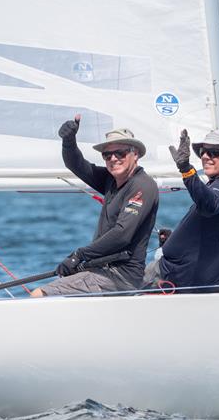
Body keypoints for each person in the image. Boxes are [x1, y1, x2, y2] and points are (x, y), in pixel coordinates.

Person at [31, 115, 158, 297]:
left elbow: (122, 235)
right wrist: (68, 141)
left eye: (120, 153)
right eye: (107, 155)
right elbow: (77, 165)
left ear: (135, 154)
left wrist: (79, 255)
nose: (113, 158)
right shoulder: (111, 179)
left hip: (120, 277)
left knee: (39, 294)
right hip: (100, 269)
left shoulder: (142, 185)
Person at [144, 129, 219, 293]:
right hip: (206, 284)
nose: (206, 157)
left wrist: (186, 169)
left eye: (214, 152)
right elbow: (216, 232)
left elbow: (210, 204)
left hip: (174, 280)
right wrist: (178, 242)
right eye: (203, 152)